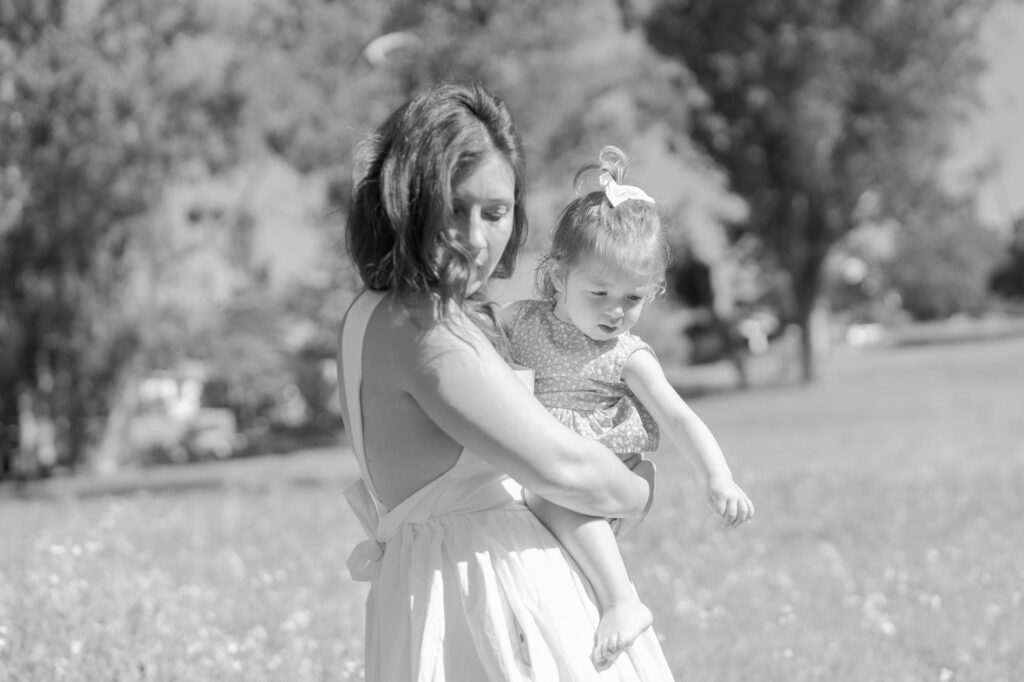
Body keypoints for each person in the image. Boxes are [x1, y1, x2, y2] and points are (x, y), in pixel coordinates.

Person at [339, 83, 675, 680]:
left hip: (436, 589)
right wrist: (640, 491)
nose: (475, 237)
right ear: (404, 203)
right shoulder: (426, 328)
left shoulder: (371, 311)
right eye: (452, 208)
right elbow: (566, 470)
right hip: (488, 597)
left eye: (496, 212)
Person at [501, 146, 755, 670]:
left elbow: (679, 416)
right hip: (547, 466)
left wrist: (718, 478)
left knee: (555, 498)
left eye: (633, 299)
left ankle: (623, 600)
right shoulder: (520, 322)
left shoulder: (626, 355)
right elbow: (473, 346)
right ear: (555, 277)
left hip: (607, 473)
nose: (616, 312)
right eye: (599, 293)